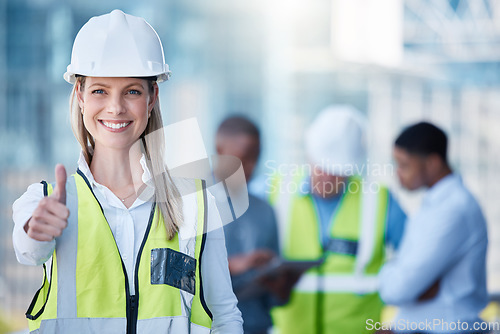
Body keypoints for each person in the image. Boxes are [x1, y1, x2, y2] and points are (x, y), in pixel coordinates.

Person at [11, 10, 243, 334]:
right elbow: (28, 250)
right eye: (99, 91)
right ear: (79, 95)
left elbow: (224, 316)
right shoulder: (46, 201)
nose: (115, 107)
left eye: (132, 91)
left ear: (152, 98)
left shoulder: (196, 205)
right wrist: (36, 230)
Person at [269, 105, 407, 334]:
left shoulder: (379, 200)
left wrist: (401, 325)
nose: (328, 176)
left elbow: (420, 266)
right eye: (323, 167)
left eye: (337, 170)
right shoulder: (275, 192)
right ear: (309, 155)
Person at [378, 122, 489, 334]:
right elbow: (408, 282)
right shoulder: (434, 205)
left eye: (404, 165)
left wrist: (390, 272)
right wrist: (404, 275)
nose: (398, 173)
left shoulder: (454, 209)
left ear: (432, 163)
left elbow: (399, 289)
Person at [215, 116, 280, 334]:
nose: (251, 167)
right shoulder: (188, 203)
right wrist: (231, 265)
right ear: (219, 151)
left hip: (256, 326)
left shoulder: (265, 210)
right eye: (243, 159)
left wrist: (281, 285)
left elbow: (276, 299)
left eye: (256, 158)